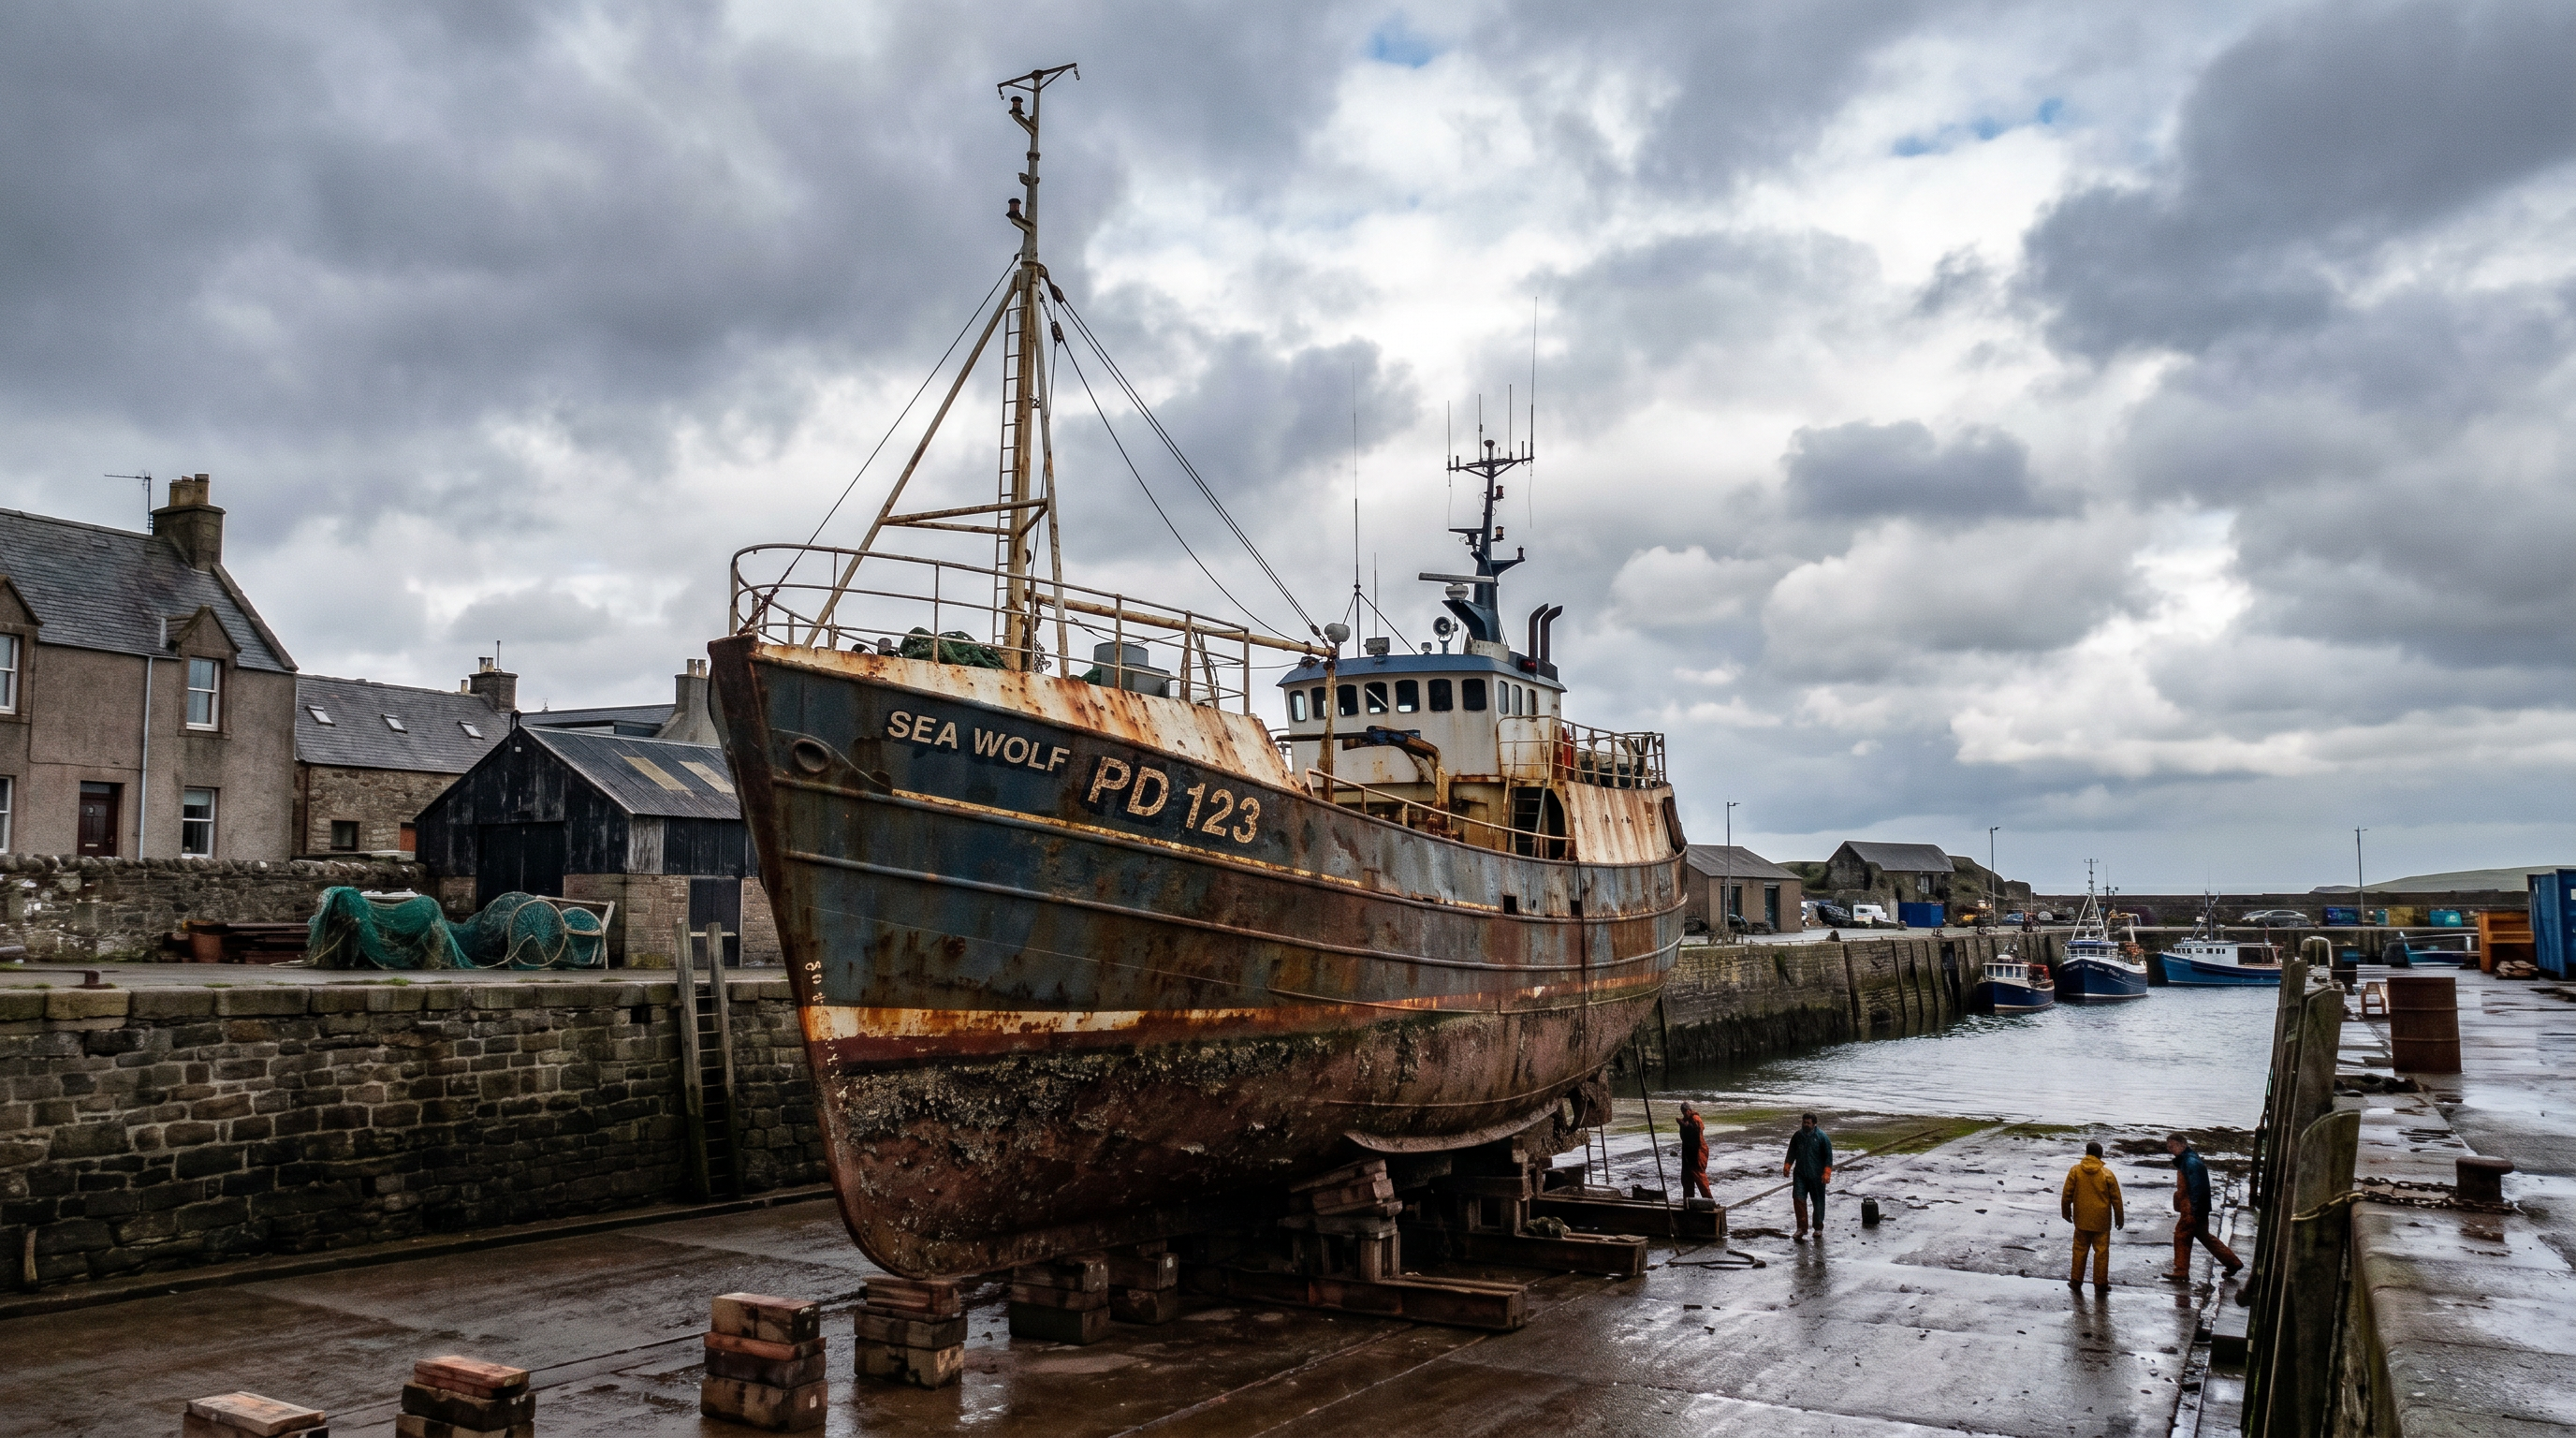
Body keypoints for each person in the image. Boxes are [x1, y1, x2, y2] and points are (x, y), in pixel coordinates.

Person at [2167, 1133, 2242, 1280]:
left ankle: (2181, 1271)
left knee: (2181, 1236)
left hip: (2192, 1209)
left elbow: (2197, 1188)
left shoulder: (2190, 1162)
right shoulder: (2189, 1160)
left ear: (2182, 1144)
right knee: (2205, 1237)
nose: (2170, 1149)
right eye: (2168, 1147)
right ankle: (2233, 1262)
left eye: (2172, 1146)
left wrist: (2194, 1210)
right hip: (2198, 1208)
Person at [2059, 1140, 2126, 1290]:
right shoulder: (2107, 1174)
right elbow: (2116, 1199)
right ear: (2100, 1155)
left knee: (2079, 1249)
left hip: (2081, 1219)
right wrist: (2119, 1219)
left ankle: (2076, 1281)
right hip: (2101, 1221)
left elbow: (2066, 1194)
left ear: (2086, 1153)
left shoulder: (2075, 1171)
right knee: (2101, 1252)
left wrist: (2066, 1212)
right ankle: (2100, 1283)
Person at [1783, 1113, 1833, 1240]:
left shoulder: (1822, 1137)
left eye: (1808, 1123)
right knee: (1798, 1200)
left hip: (1817, 1176)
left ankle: (1818, 1228)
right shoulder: (1797, 1136)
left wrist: (1827, 1173)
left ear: (1814, 1124)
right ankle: (1801, 1229)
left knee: (1818, 1202)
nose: (1805, 1125)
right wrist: (1787, 1165)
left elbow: (1828, 1156)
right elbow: (1791, 1152)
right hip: (1800, 1175)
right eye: (1804, 1122)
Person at [1677, 1103, 1712, 1200]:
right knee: (1686, 1179)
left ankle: (1709, 1200)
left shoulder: (1696, 1119)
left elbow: (1697, 1130)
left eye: (1686, 1111)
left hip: (1697, 1152)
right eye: (1683, 1112)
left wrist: (1687, 1126)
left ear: (1689, 1110)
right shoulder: (1686, 1120)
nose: (1684, 1114)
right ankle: (1688, 1201)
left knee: (1700, 1178)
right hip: (1688, 1153)